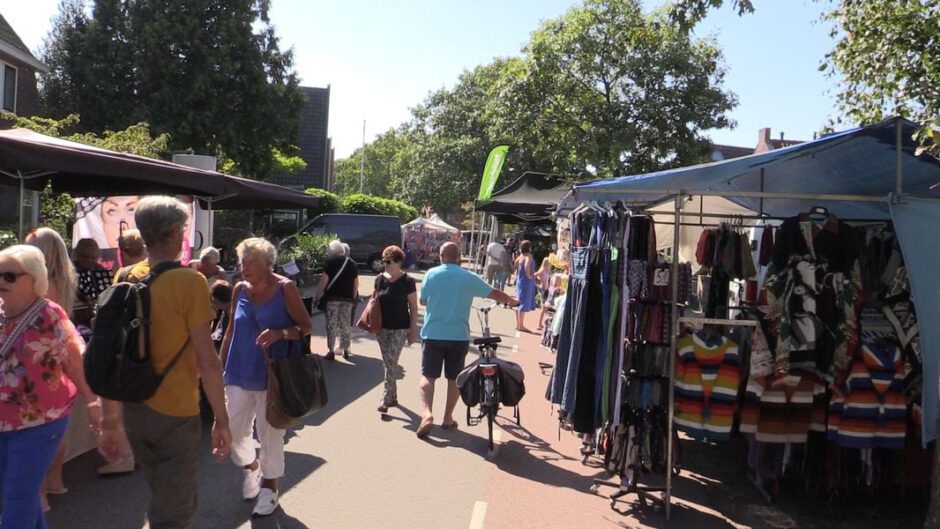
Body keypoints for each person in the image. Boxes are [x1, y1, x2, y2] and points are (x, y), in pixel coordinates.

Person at [97, 196, 231, 529]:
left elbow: (112, 351)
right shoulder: (190, 282)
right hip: (175, 411)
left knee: (161, 494)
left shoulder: (125, 275)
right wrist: (222, 419)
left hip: (135, 408)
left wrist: (110, 419)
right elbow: (207, 360)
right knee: (174, 512)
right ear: (174, 233)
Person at [0, 244, 101, 528]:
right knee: (21, 496)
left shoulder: (49, 315)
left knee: (16, 501)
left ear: (33, 278)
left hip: (40, 422)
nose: (0, 281)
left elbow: (73, 362)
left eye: (9, 276)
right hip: (3, 423)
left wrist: (93, 404)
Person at [219, 237, 313, 517]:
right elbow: (229, 332)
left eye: (250, 262)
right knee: (232, 431)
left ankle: (269, 489)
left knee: (271, 433)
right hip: (238, 370)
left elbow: (306, 326)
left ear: (267, 264)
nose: (244, 267)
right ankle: (252, 467)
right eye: (242, 261)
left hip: (274, 374)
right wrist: (217, 367)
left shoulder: (285, 288)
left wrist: (281, 333)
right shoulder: (239, 289)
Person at [416, 242, 518, 438]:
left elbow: (423, 300)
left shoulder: (431, 274)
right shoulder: (467, 277)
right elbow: (493, 293)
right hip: (457, 336)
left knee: (428, 377)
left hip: (433, 333)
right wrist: (511, 301)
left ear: (440, 255)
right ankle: (447, 418)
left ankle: (427, 414)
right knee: (454, 378)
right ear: (459, 257)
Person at [24, 228, 80, 511]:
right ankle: (55, 483)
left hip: (40, 360)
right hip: (61, 354)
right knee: (57, 423)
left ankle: (41, 492)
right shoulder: (66, 281)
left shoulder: (41, 286)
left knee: (39, 427)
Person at [372, 245, 419, 414]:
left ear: (398, 262)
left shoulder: (408, 281)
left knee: (391, 360)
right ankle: (393, 395)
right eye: (384, 261)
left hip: (400, 327)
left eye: (389, 261)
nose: (385, 265)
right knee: (388, 363)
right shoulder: (379, 279)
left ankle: (385, 397)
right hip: (381, 327)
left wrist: (413, 330)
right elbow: (374, 302)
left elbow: (413, 308)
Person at [316, 239, 358, 360]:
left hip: (332, 298)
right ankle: (345, 348)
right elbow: (356, 284)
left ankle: (331, 350)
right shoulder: (352, 263)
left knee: (331, 324)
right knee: (345, 324)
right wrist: (353, 298)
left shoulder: (331, 263)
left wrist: (317, 296)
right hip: (348, 299)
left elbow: (323, 282)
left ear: (332, 252)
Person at [72, 238, 113, 327]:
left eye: (93, 257)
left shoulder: (102, 272)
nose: (90, 260)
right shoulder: (70, 272)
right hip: (76, 318)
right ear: (78, 255)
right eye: (85, 256)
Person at [513, 240, 537, 333]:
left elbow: (515, 263)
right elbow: (527, 266)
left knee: (518, 301)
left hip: (520, 280)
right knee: (523, 302)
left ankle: (518, 324)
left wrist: (520, 272)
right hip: (526, 281)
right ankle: (521, 325)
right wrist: (529, 275)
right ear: (529, 247)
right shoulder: (528, 256)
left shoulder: (520, 256)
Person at [535, 255, 553, 331]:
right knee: (544, 308)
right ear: (546, 263)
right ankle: (539, 324)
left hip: (546, 290)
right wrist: (537, 285)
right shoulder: (542, 269)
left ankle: (541, 323)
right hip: (542, 289)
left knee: (545, 308)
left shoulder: (548, 270)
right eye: (549, 262)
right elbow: (534, 275)